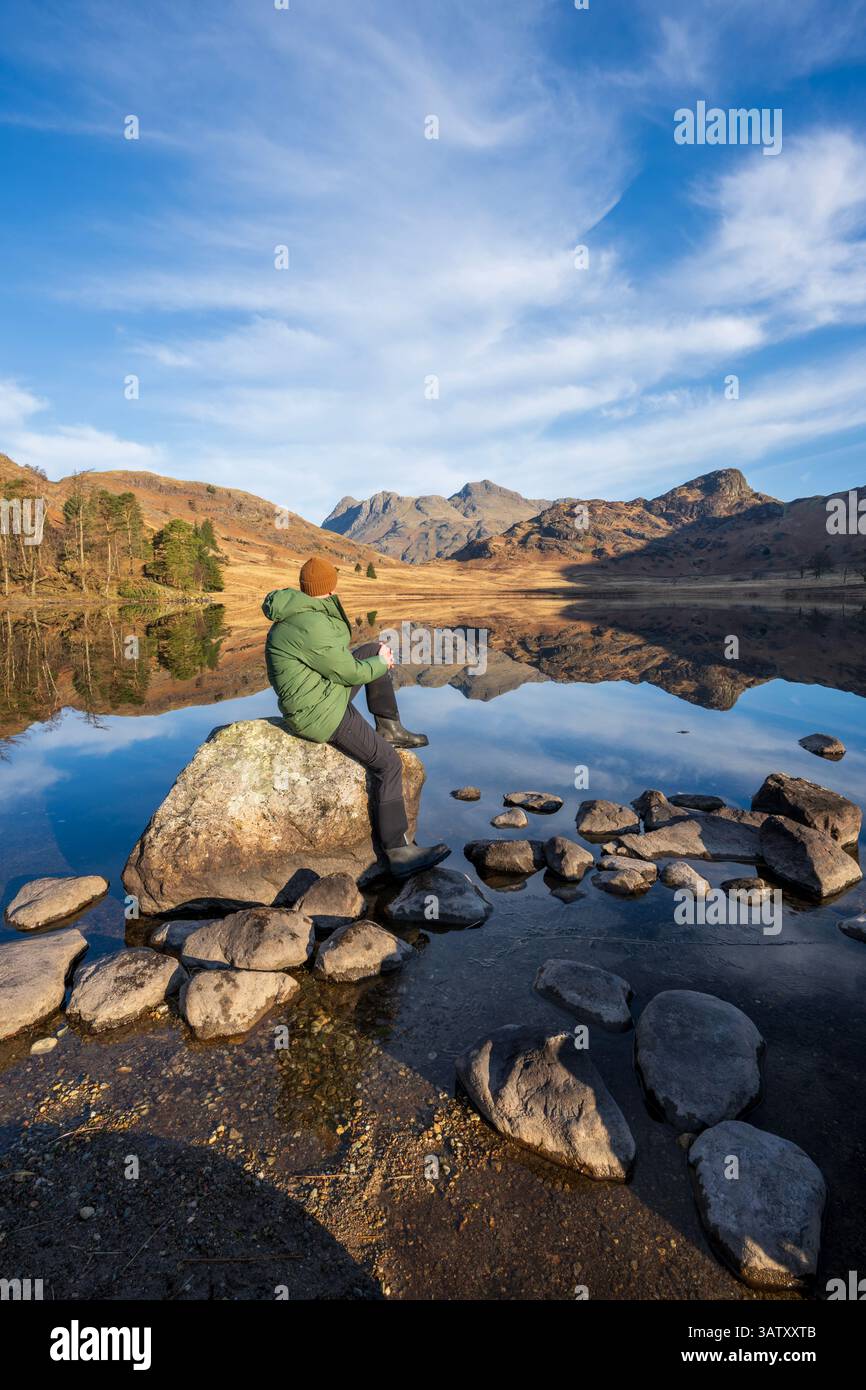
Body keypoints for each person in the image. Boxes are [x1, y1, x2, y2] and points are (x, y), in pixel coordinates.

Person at [262, 555, 450, 879]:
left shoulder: (300, 613)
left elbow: (339, 662)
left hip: (317, 695)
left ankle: (389, 726)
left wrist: (377, 658)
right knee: (388, 764)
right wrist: (382, 664)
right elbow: (348, 673)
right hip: (319, 713)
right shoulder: (309, 624)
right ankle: (398, 852)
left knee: (372, 650)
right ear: (330, 585)